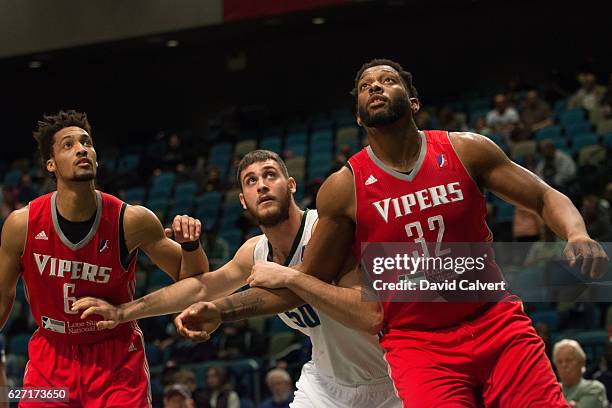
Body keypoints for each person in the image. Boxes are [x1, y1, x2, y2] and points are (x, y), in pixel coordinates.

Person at [178, 59, 609, 407]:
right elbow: (306, 283)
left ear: (414, 102)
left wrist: (576, 234)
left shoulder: (465, 149)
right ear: (358, 115)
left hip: (495, 322)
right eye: (367, 86)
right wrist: (221, 310)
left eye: (387, 80)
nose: (376, 88)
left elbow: (543, 197)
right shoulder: (344, 187)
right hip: (419, 348)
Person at [72, 150, 402, 407]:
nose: (261, 184)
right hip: (328, 387)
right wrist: (123, 312)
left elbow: (361, 309)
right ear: (243, 200)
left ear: (290, 185)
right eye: (251, 181)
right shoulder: (253, 253)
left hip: (390, 379)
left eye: (270, 175)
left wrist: (223, 307)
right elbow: (200, 286)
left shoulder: (325, 229)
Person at [0, 110, 208, 407]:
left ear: (96, 156)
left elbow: (194, 279)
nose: (81, 149)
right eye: (68, 145)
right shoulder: (22, 224)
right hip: (51, 359)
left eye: (86, 143)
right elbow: (2, 297)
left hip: (116, 359)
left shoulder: (131, 220)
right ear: (51, 165)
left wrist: (191, 246)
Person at [553, 339, 609, 408]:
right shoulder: (552, 391)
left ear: (581, 362)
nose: (564, 365)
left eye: (569, 360)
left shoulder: (594, 388)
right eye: (559, 362)